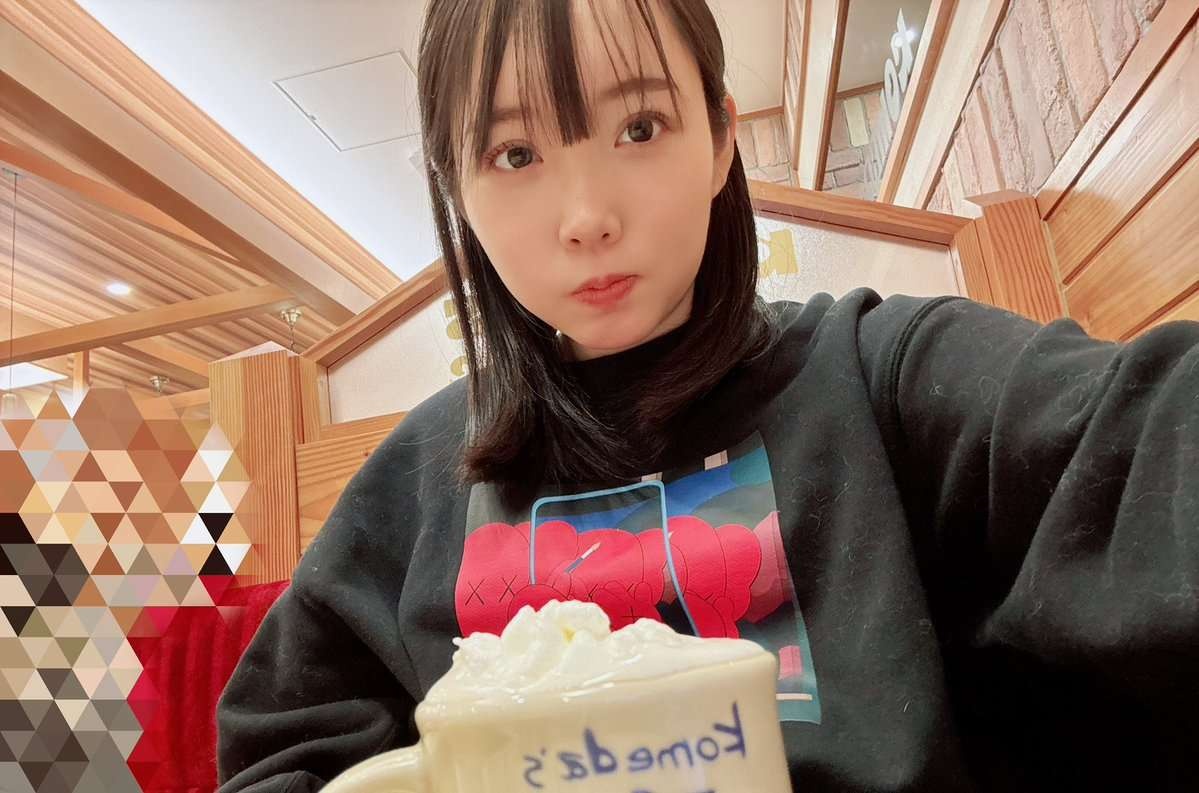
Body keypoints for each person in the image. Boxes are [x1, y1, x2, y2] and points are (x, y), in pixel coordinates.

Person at [215, 1, 1199, 791]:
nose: (587, 217)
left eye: (638, 127)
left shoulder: (882, 373)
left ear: (720, 139)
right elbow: (281, 747)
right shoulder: (416, 480)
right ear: (456, 190)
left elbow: (1145, 442)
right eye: (514, 154)